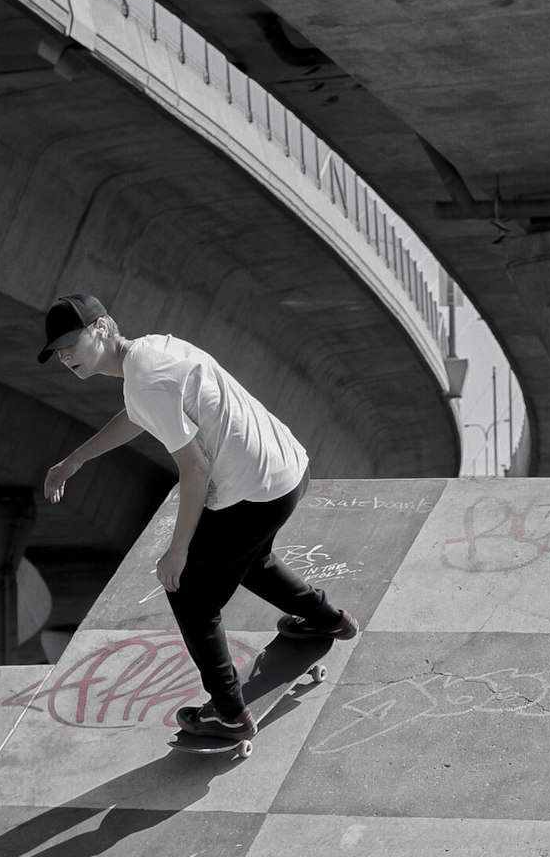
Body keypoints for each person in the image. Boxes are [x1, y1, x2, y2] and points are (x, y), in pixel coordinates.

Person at [40, 293, 357, 740]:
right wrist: (74, 461)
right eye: (57, 352)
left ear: (103, 327)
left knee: (189, 592)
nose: (66, 356)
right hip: (288, 468)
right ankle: (327, 619)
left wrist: (178, 551)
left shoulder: (144, 379)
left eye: (72, 342)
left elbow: (195, 469)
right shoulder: (153, 350)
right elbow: (137, 417)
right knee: (250, 558)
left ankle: (228, 712)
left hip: (255, 490)